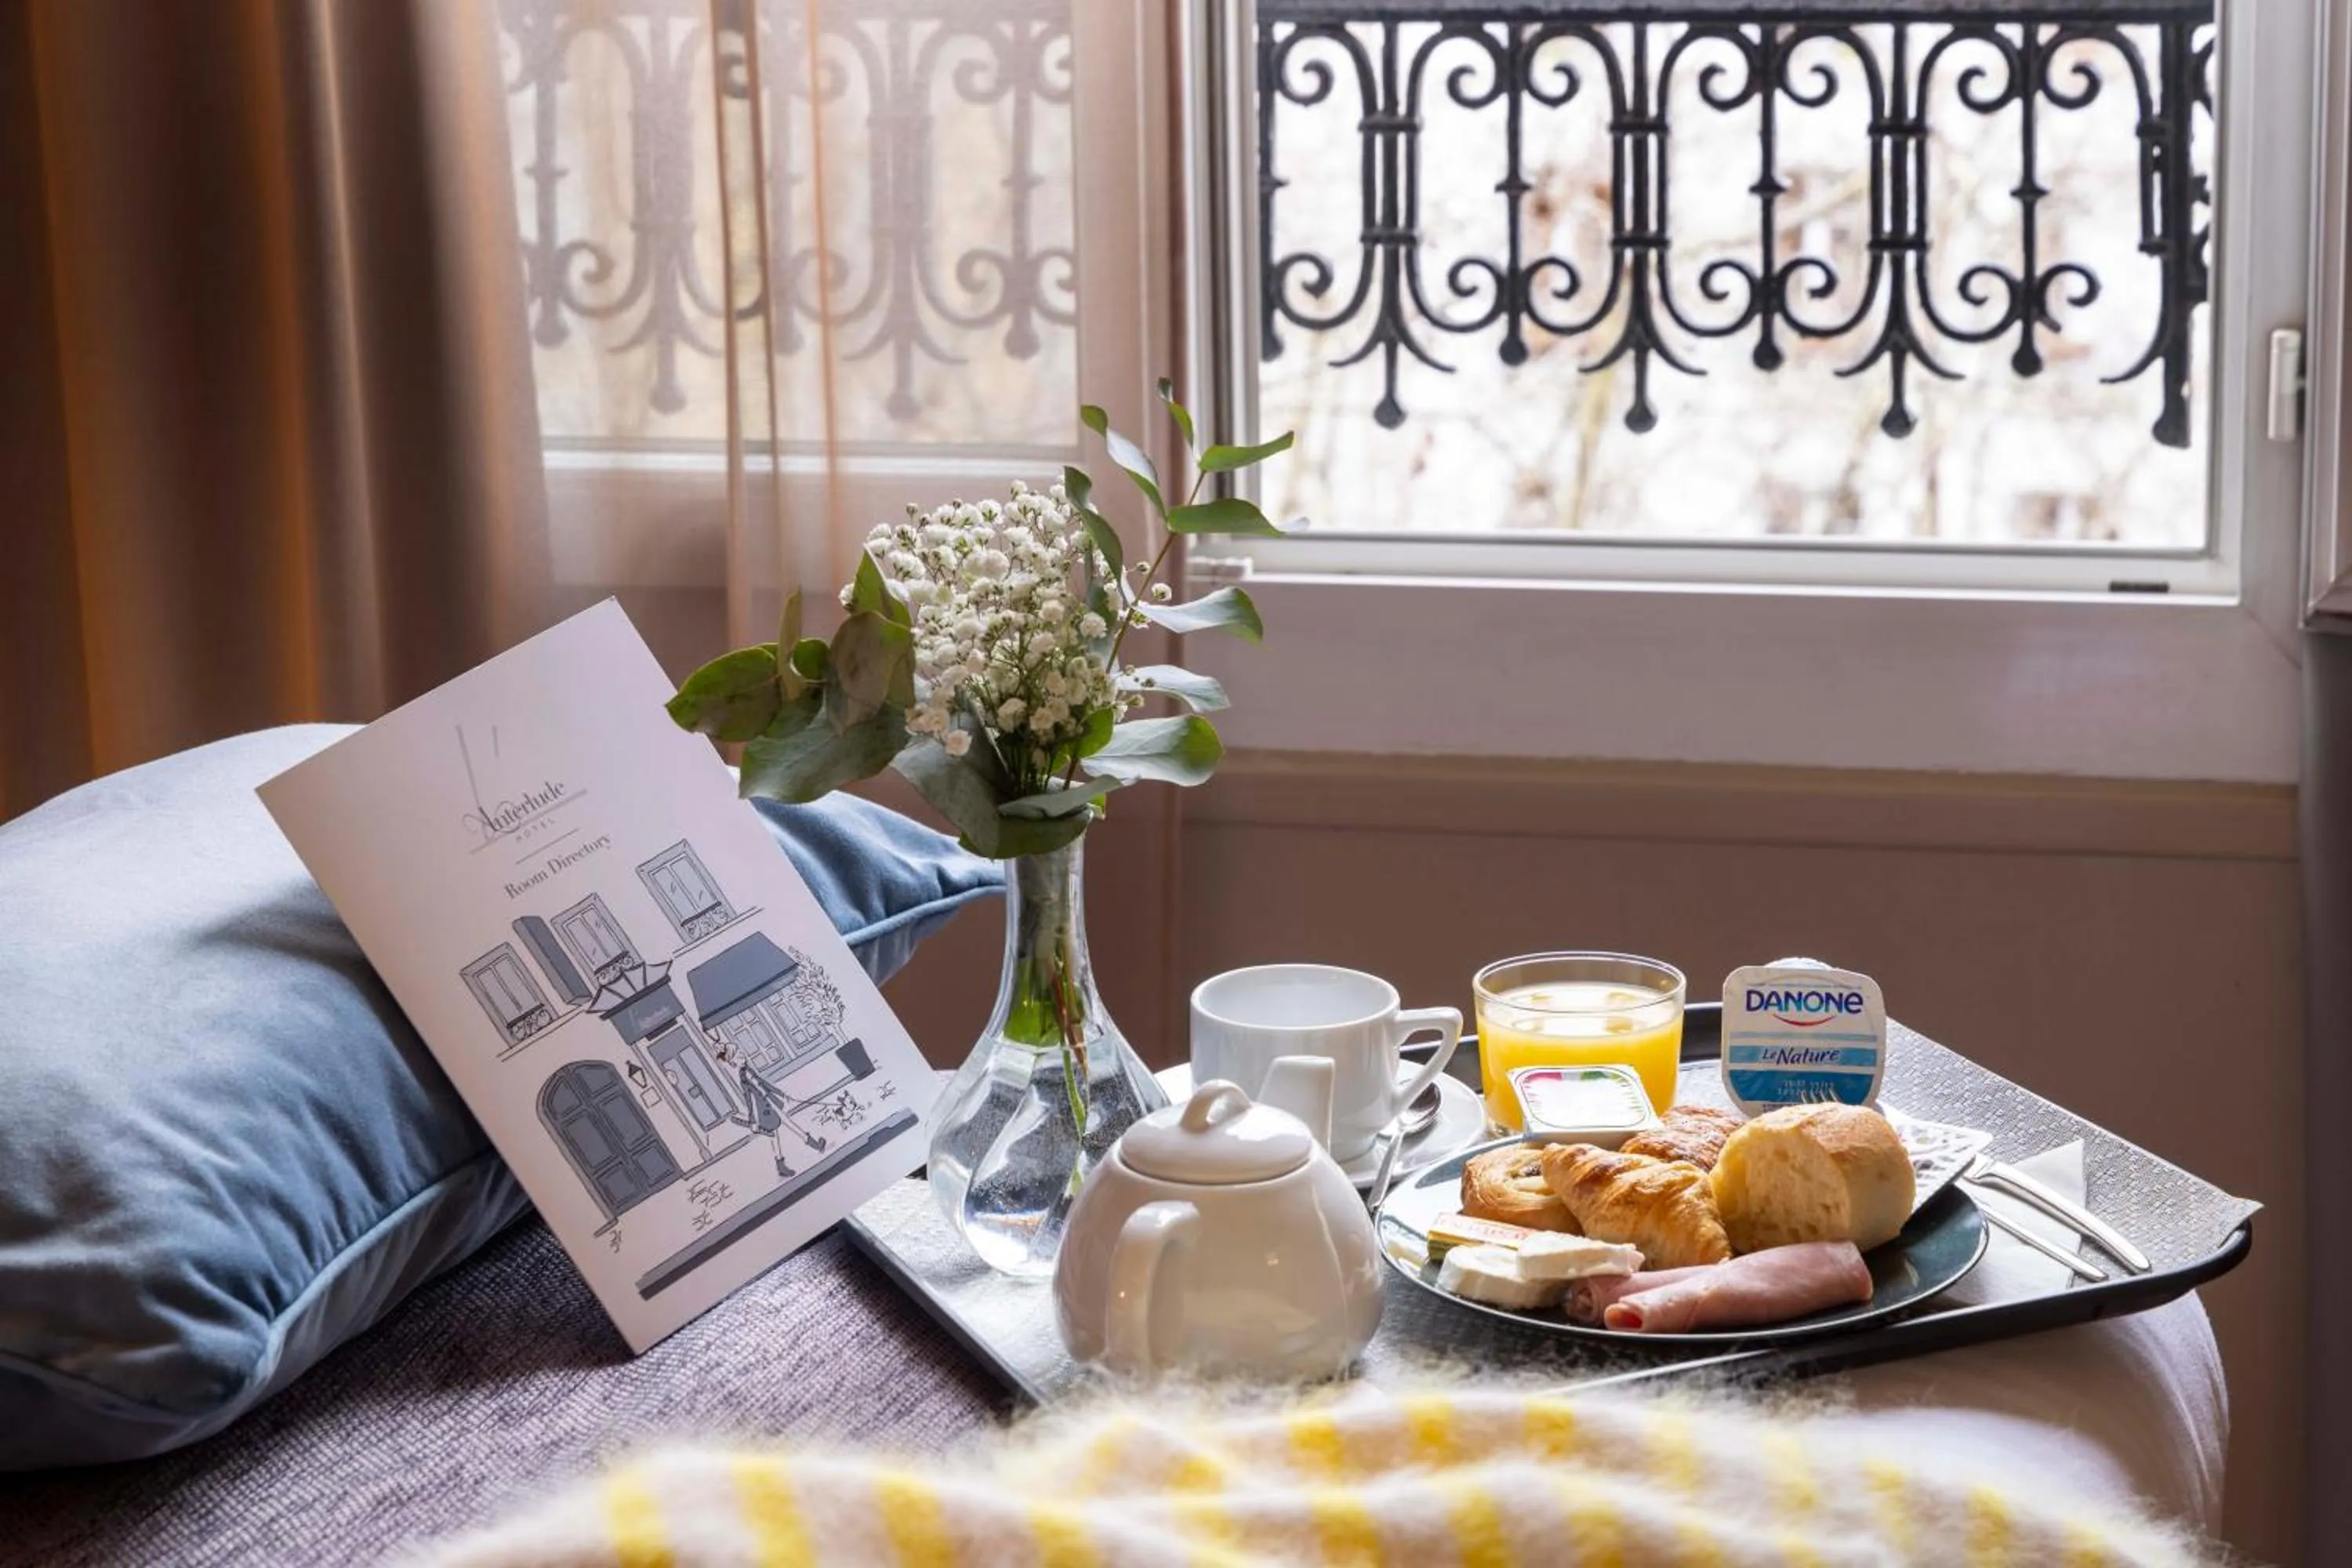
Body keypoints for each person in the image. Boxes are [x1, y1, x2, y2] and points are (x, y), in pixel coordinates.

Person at [713, 1042, 827, 1178]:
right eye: (738, 1054)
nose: (742, 1055)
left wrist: (782, 1094)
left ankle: (783, 1164)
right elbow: (750, 1099)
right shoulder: (744, 1076)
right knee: (784, 1126)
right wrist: (753, 1119)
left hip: (768, 1102)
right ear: (734, 1060)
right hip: (765, 1106)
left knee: (775, 1132)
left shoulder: (747, 1071)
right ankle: (814, 1146)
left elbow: (765, 1084)